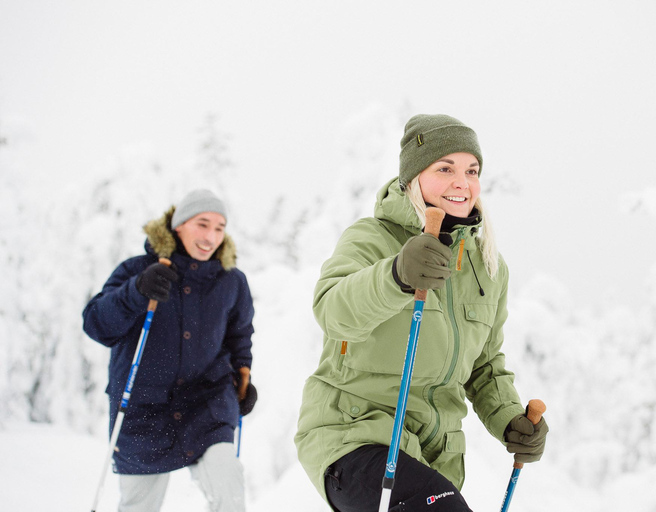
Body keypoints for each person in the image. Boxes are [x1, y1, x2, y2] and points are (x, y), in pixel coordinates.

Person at [294, 114, 549, 511]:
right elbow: (332, 310)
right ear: (414, 176)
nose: (461, 182)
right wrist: (395, 275)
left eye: (471, 170)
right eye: (444, 168)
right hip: (355, 436)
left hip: (435, 459)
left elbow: (484, 366)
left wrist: (509, 419)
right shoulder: (371, 238)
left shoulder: (486, 266)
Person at [83, 189, 257, 512]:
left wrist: (243, 375)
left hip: (206, 403)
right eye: (202, 224)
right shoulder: (139, 269)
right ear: (178, 226)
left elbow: (239, 335)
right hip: (143, 409)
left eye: (219, 228)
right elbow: (95, 324)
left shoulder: (231, 281)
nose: (211, 236)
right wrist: (136, 291)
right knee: (139, 506)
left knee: (228, 486)